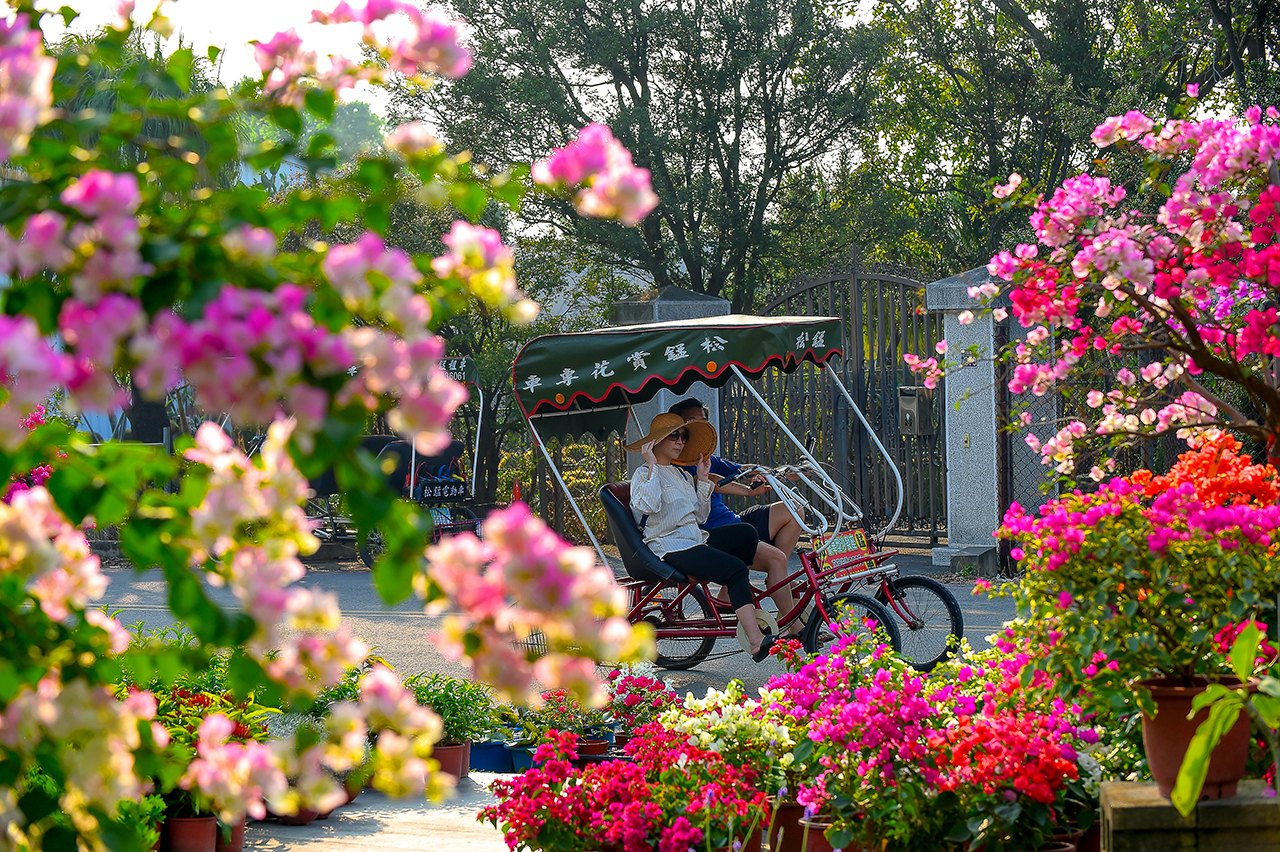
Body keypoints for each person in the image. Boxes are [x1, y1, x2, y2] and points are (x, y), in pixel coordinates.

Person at [625, 412, 774, 661]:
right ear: (657, 441)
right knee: (736, 569)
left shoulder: (683, 475)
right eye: (674, 435)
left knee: (746, 533)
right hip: (667, 544)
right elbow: (647, 506)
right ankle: (756, 640)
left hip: (694, 538)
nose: (680, 441)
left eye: (683, 436)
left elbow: (701, 517)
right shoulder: (643, 474)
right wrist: (651, 464)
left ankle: (733, 597)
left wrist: (703, 480)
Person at [669, 397, 803, 637]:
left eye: (704, 421)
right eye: (692, 422)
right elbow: (715, 483)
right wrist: (748, 490)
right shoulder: (677, 465)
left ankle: (777, 579)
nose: (700, 427)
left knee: (795, 509)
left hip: (735, 523)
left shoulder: (706, 457)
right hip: (712, 535)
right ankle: (793, 625)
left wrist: (778, 473)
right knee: (776, 559)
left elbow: (740, 468)